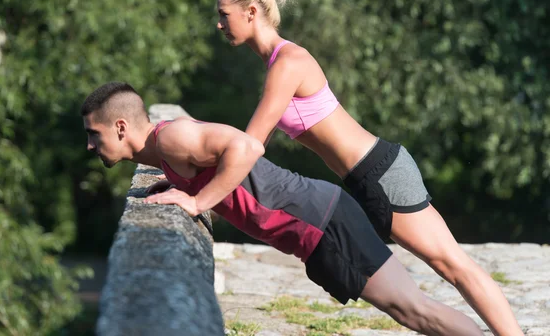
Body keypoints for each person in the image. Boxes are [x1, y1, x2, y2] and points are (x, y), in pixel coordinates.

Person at [215, 0, 522, 336]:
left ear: (250, 12)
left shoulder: (288, 62)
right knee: (429, 285)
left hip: (380, 172)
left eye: (223, 14)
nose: (219, 24)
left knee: (453, 265)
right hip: (365, 179)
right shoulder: (276, 64)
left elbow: (251, 145)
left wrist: (197, 190)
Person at [81, 82, 483, 336]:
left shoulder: (172, 138)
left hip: (321, 220)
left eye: (93, 135)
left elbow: (246, 147)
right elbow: (214, 165)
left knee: (414, 310)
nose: (89, 146)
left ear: (120, 127)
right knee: (411, 310)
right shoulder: (166, 151)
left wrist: (197, 201)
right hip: (320, 219)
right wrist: (184, 184)